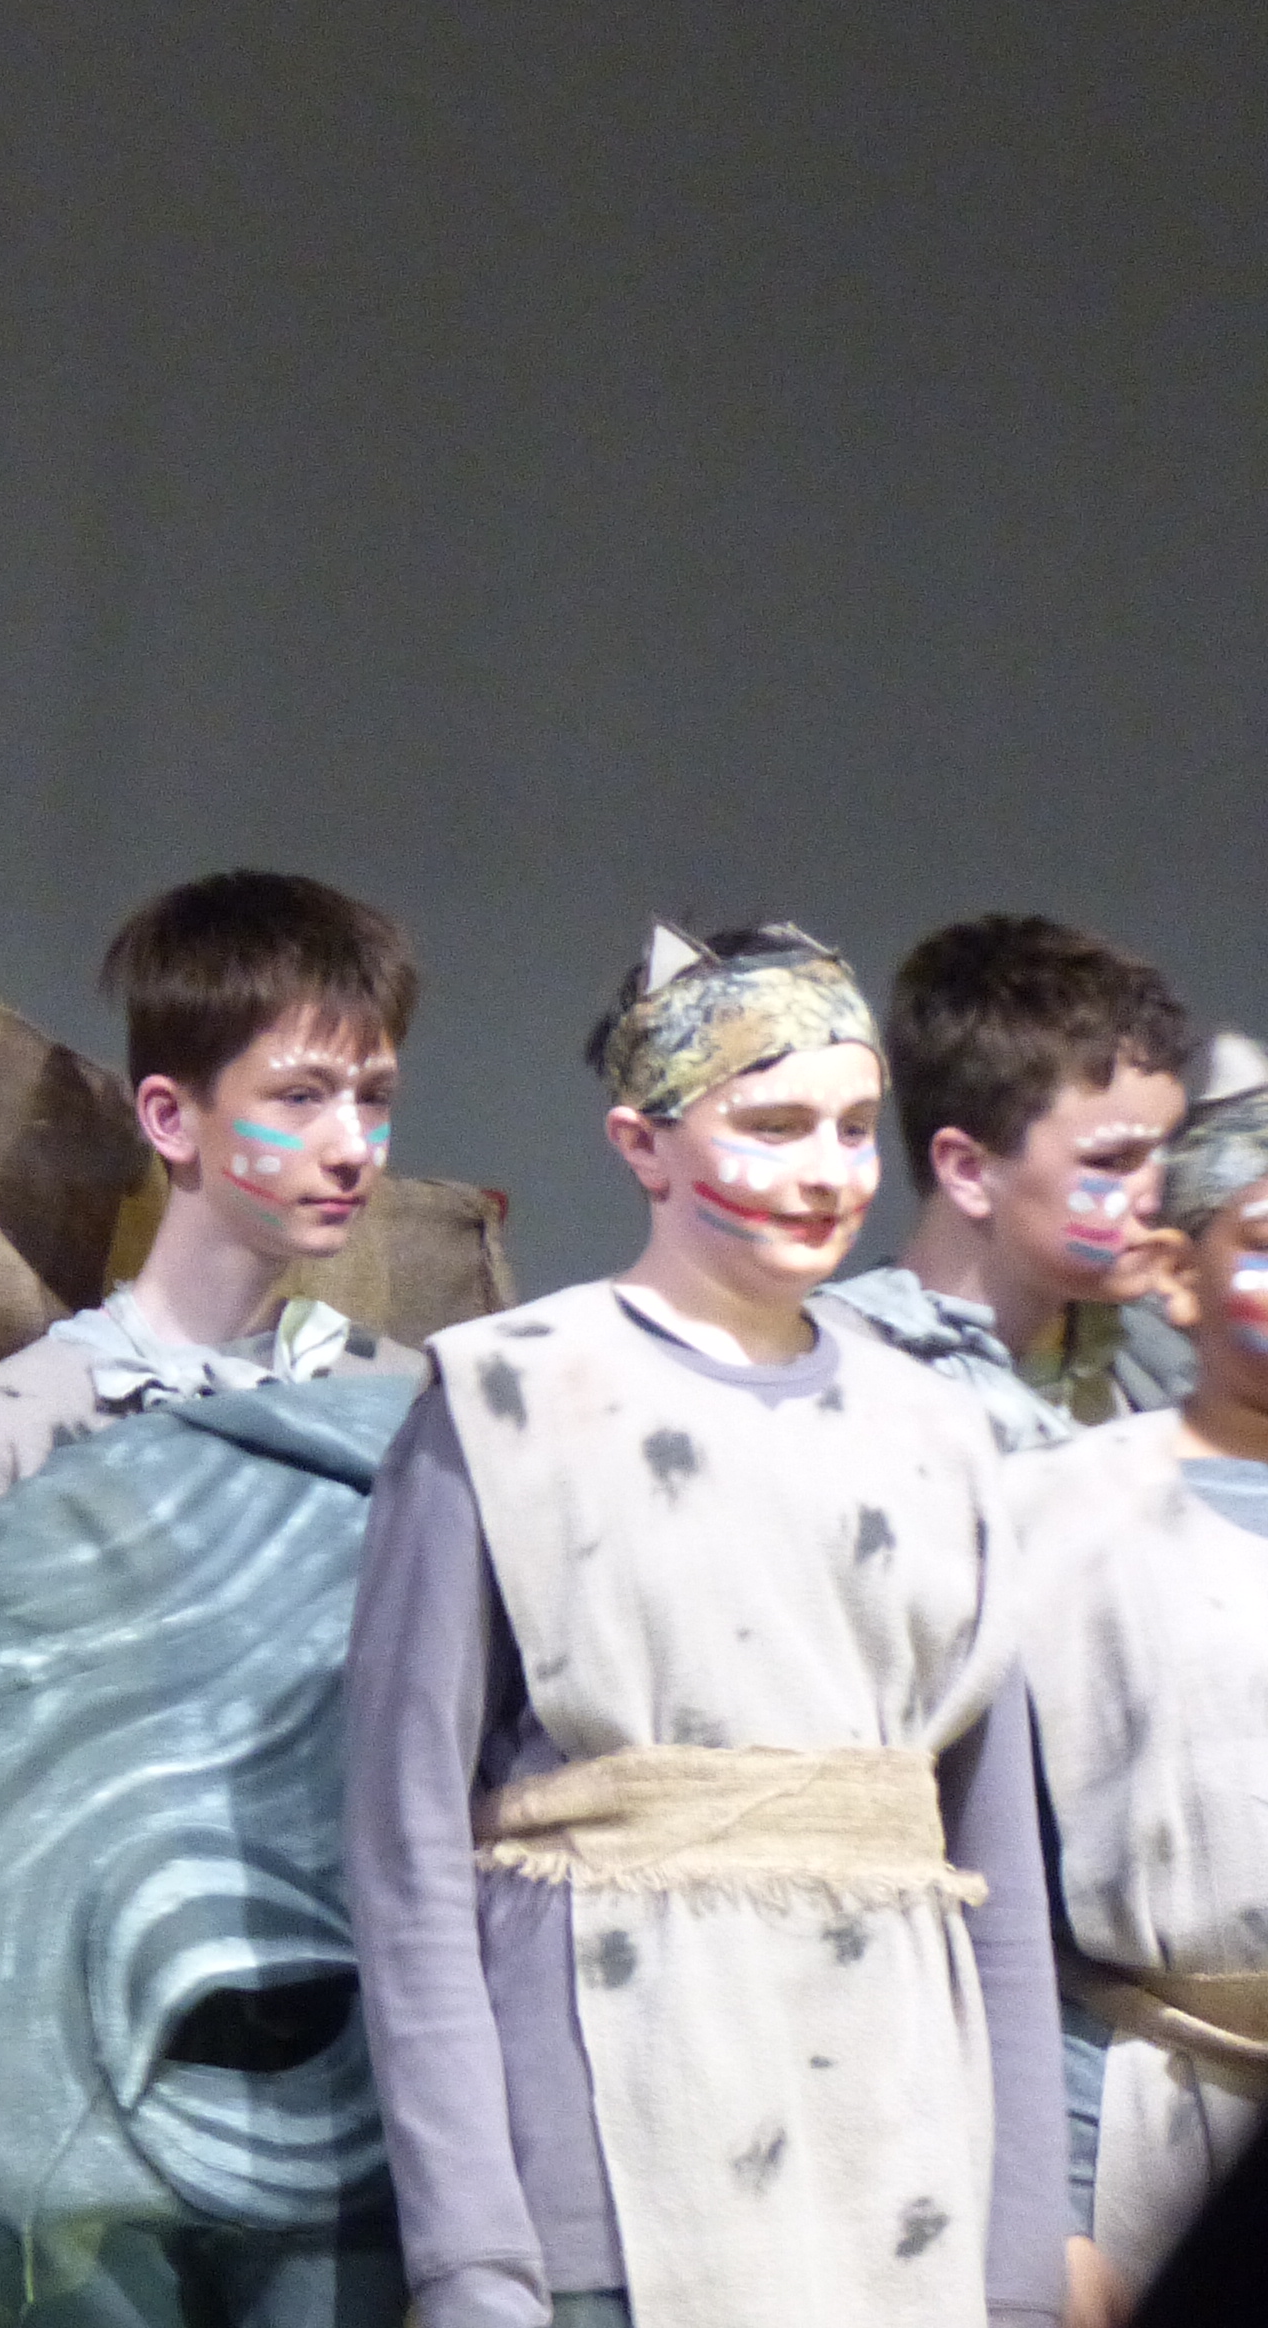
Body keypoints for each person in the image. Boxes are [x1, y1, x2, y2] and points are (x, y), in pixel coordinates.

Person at [347, 924, 1064, 2328]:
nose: (829, 1171)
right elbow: (403, 1844)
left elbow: (994, 1865)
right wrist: (472, 2252)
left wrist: (1021, 2265)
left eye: (853, 1127)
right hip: (618, 2138)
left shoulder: (937, 1428)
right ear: (644, 1144)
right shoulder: (510, 1399)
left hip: (895, 2149)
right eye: (775, 1126)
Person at [0, 869, 422, 1536]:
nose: (354, 1148)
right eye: (300, 1096)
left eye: (374, 1097)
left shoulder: (409, 1407)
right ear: (170, 1119)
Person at [1008, 1032, 1268, 2316]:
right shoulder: (1057, 1513)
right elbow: (994, 1893)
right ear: (1175, 1272)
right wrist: (1046, 2216)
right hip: (1138, 2108)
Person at [815, 915, 1194, 1447]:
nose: (1156, 1195)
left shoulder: (1174, 1356)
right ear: (968, 1171)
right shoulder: (828, 1376)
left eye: (1166, 1151)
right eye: (1111, 1162)